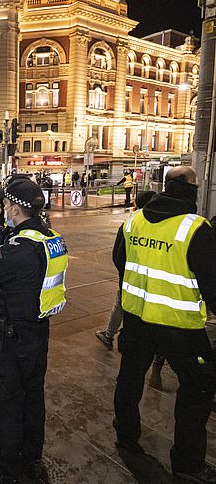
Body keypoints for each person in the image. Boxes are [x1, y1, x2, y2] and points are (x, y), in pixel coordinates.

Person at [112, 166, 216, 483]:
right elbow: (212, 281)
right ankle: (187, 463)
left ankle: (127, 436)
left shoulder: (135, 220)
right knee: (199, 388)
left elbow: (119, 260)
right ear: (188, 189)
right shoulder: (195, 227)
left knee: (129, 379)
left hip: (137, 318)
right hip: (179, 327)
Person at [0, 178, 68, 483]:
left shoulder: (19, 247)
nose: (4, 208)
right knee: (33, 395)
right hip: (39, 331)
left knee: (6, 399)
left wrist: (0, 257)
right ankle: (32, 455)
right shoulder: (53, 238)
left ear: (14, 207)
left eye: (5, 203)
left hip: (12, 337)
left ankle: (9, 464)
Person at [95, 191, 157, 349]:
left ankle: (109, 335)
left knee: (121, 305)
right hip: (156, 282)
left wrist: (125, 274)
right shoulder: (163, 226)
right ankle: (157, 351)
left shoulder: (130, 224)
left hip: (130, 280)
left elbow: (118, 256)